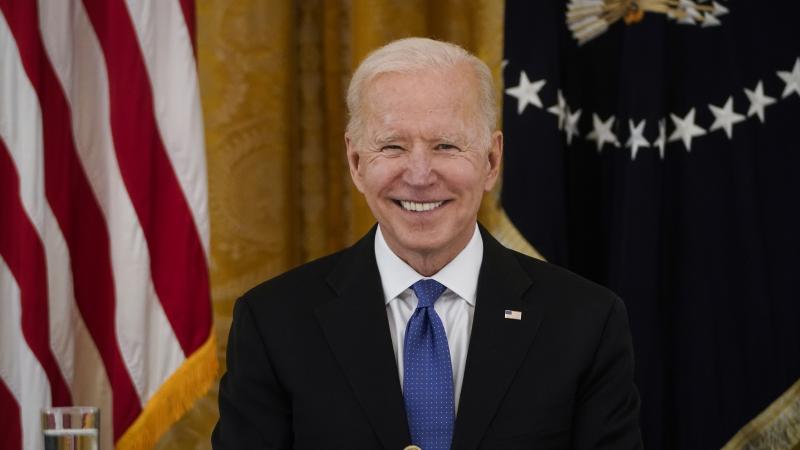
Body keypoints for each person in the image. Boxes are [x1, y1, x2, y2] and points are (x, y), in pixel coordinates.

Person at [212, 37, 642, 450]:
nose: (419, 175)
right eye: (393, 146)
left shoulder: (586, 322)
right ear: (357, 162)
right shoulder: (273, 322)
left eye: (446, 145)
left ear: (491, 161)